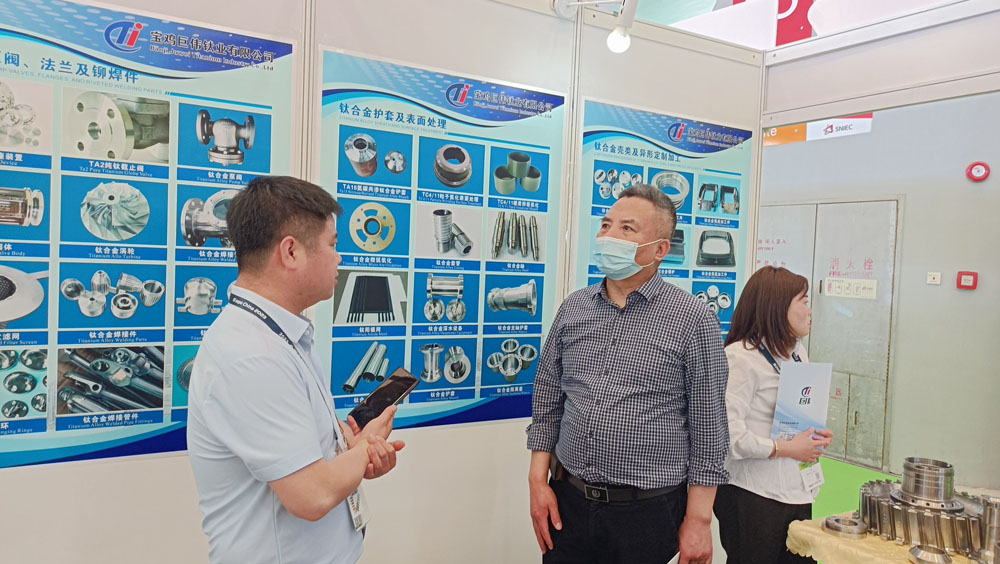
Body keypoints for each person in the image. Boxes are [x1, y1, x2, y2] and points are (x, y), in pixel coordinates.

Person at [187, 176, 405, 564]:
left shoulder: (280, 335)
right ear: (291, 252)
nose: (339, 258)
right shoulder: (252, 355)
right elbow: (312, 495)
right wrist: (364, 449)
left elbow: (309, 462)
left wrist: (350, 453)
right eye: (332, 245)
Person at [526, 183, 730, 564]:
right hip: (569, 500)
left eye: (626, 228)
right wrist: (537, 480)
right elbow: (548, 398)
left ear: (660, 249)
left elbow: (709, 428)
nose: (608, 236)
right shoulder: (574, 308)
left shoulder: (693, 319)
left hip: (646, 512)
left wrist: (699, 520)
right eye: (606, 225)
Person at [713, 265, 834, 564]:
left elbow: (795, 414)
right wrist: (785, 448)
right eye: (804, 301)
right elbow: (728, 437)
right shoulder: (741, 358)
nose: (810, 311)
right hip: (753, 494)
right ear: (778, 307)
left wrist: (814, 435)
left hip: (797, 489)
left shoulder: (796, 352)